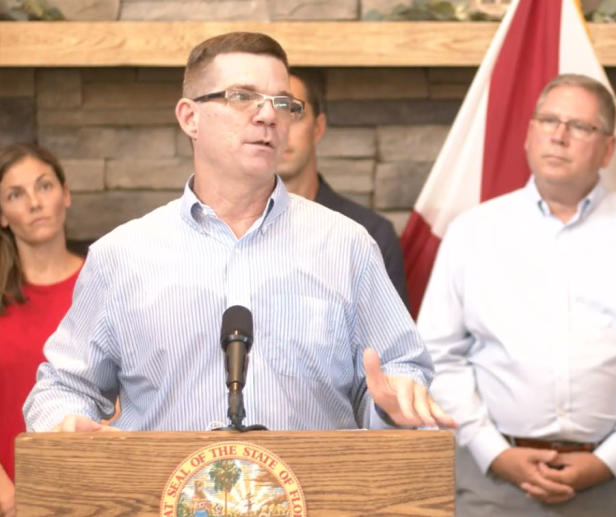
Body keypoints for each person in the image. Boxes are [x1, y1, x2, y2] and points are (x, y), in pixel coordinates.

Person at [23, 32, 454, 434]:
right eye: (242, 97)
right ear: (189, 117)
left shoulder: (347, 245)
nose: (268, 115)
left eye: (282, 103)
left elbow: (399, 370)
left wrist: (394, 403)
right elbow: (63, 388)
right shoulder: (121, 256)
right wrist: (66, 424)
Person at [420, 74, 616, 516]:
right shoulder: (473, 231)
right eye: (548, 120)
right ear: (529, 134)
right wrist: (493, 451)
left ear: (608, 148)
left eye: (580, 126)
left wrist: (614, 458)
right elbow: (439, 354)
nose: (559, 135)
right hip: (494, 478)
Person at [0, 143, 84, 517]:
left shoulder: (105, 283)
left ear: (65, 195)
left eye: (44, 186)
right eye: (15, 195)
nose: (34, 202)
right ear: (2, 215)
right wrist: (9, 500)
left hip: (97, 495)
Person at [277, 69, 408, 304]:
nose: (280, 130)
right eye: (267, 118)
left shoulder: (371, 234)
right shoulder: (233, 230)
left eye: (293, 112)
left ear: (318, 128)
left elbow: (390, 340)